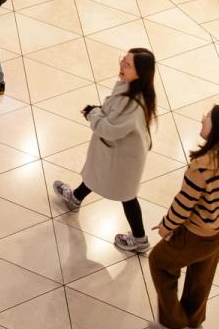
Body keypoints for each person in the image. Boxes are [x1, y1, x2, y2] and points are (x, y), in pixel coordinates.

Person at [147, 105, 219, 329]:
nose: (203, 118)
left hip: (196, 235)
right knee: (201, 276)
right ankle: (193, 321)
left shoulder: (202, 166)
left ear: (218, 129)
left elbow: (184, 204)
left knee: (159, 261)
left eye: (208, 117)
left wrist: (166, 226)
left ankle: (173, 322)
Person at [52, 47, 158, 253]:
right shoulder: (131, 87)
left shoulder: (132, 103)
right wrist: (97, 111)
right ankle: (75, 198)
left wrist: (93, 114)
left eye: (128, 64)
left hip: (122, 158)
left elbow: (109, 129)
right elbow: (112, 116)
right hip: (117, 153)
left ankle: (140, 240)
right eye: (123, 60)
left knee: (127, 195)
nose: (122, 65)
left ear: (140, 73)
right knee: (97, 174)